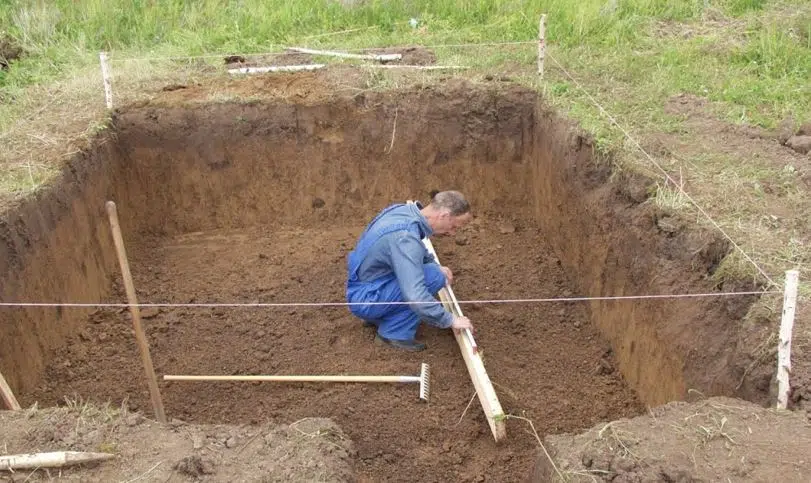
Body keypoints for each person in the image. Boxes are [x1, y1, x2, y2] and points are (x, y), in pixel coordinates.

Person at [345, 190, 475, 352]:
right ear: (444, 215)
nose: (452, 232)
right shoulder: (405, 237)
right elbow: (415, 295)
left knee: (432, 271)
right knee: (433, 277)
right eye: (454, 226)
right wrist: (450, 320)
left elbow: (415, 250)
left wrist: (433, 263)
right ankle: (394, 333)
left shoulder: (404, 212)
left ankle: (380, 316)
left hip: (364, 288)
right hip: (367, 299)